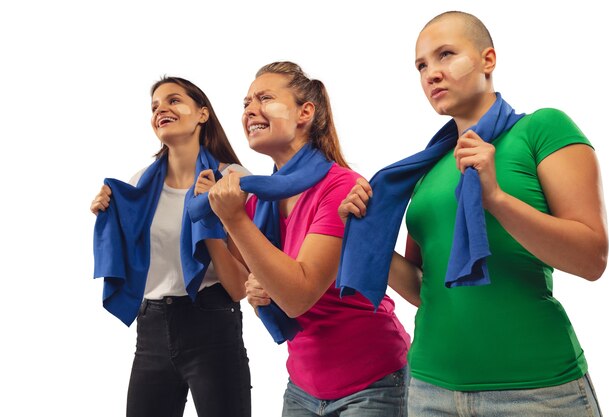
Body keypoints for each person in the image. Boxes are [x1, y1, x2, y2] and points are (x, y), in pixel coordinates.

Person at [338, 11, 607, 417]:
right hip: (430, 388)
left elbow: (591, 259)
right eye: (421, 65)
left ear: (488, 60)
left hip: (536, 390)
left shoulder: (541, 129)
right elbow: (426, 289)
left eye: (446, 54)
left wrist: (496, 197)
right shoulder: (428, 168)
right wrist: (361, 233)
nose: (431, 73)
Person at [196, 61, 411, 416]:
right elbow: (254, 279)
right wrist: (255, 286)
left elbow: (297, 295)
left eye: (264, 98)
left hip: (372, 382)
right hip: (303, 386)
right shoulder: (258, 200)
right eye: (246, 103)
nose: (250, 110)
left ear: (305, 113)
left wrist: (232, 217)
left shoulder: (341, 187)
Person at [90, 76, 251, 417]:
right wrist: (108, 211)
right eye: (154, 107)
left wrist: (208, 217)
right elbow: (127, 260)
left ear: (202, 114)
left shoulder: (232, 179)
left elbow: (239, 287)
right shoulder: (137, 188)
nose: (161, 109)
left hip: (212, 323)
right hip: (151, 329)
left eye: (173, 101)